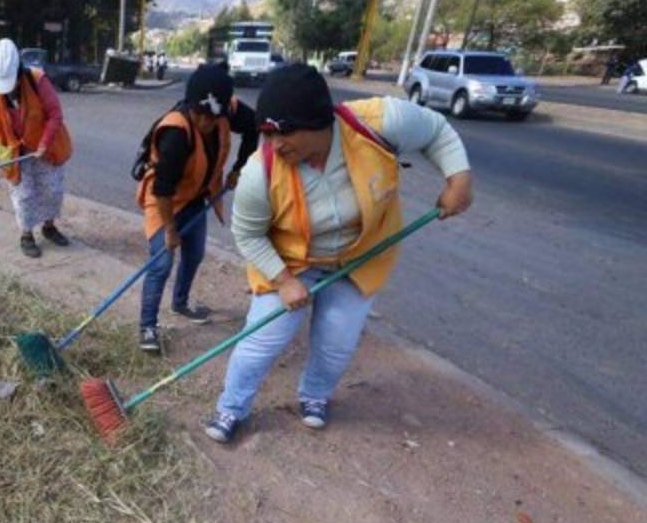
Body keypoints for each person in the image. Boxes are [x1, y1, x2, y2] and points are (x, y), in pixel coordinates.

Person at [203, 64, 472, 443]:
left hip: (359, 257)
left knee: (336, 341)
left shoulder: (377, 123)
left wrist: (458, 179)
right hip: (290, 262)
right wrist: (283, 280)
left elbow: (438, 132)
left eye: (286, 132)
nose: (276, 143)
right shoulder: (259, 173)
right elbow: (247, 234)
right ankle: (231, 407)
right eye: (267, 132)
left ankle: (314, 396)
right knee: (260, 341)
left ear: (319, 122)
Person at [136, 63, 259, 353]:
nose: (205, 122)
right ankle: (147, 327)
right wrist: (170, 230)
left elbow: (255, 127)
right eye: (200, 115)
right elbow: (162, 189)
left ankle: (180, 303)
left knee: (195, 254)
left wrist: (239, 169)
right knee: (162, 262)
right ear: (191, 105)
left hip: (195, 196)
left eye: (212, 118)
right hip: (164, 200)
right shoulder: (176, 134)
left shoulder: (226, 109)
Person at [0, 38, 73, 257]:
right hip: (15, 150)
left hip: (45, 146)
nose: (8, 91)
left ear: (19, 73)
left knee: (51, 189)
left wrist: (44, 143)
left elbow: (55, 115)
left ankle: (49, 226)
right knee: (23, 194)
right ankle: (26, 235)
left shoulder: (37, 80)